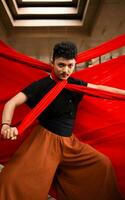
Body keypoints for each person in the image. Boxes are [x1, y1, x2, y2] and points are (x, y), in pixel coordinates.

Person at [0, 42, 124, 200]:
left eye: (70, 65)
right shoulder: (41, 86)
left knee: (102, 164)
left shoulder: (75, 85)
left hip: (70, 144)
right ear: (52, 62)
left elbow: (101, 89)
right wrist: (6, 125)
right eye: (61, 65)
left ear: (75, 64)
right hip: (45, 142)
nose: (66, 70)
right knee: (15, 182)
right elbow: (11, 103)